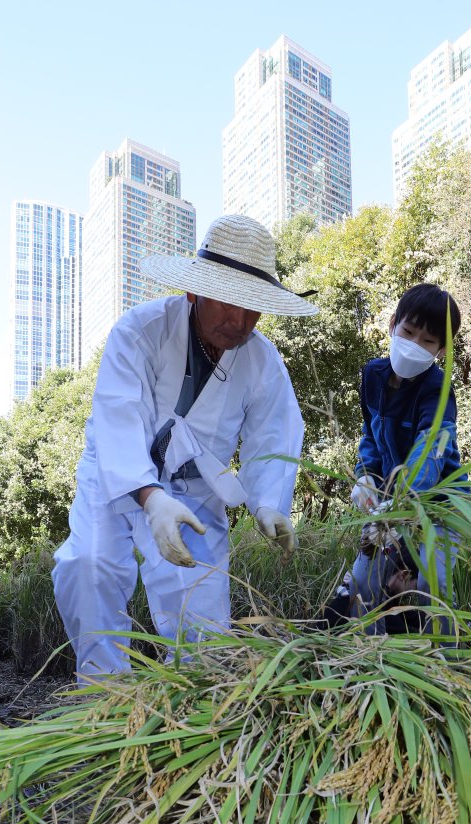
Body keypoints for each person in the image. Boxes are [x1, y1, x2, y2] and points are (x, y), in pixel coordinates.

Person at [53, 214, 317, 678]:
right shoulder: (139, 331)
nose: (240, 321)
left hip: (194, 490)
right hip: (116, 474)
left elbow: (274, 434)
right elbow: (118, 418)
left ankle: (198, 710)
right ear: (194, 290)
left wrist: (269, 505)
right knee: (89, 566)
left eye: (253, 308)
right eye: (229, 302)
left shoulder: (262, 360)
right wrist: (151, 500)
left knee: (199, 611)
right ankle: (105, 699)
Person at [348, 283, 466, 634]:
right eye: (409, 332)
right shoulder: (372, 376)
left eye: (428, 341)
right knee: (362, 584)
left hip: (440, 508)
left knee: (434, 587)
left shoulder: (437, 388)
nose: (415, 345)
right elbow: (371, 435)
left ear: (441, 350)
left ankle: (445, 669)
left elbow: (430, 448)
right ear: (392, 324)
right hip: (388, 505)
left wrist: (403, 501)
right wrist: (365, 476)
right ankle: (369, 661)